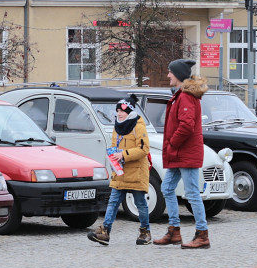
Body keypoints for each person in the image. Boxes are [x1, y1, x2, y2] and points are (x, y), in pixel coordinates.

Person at [153, 58, 211, 249]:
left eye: (170, 72)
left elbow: (186, 126)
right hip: (179, 154)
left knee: (192, 193)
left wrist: (172, 144)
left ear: (178, 75)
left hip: (184, 153)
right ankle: (174, 231)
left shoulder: (185, 96)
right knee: (167, 189)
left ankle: (202, 235)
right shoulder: (181, 95)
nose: (168, 75)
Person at [87, 96, 152, 246]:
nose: (119, 113)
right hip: (120, 171)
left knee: (140, 203)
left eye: (122, 110)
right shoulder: (117, 125)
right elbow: (115, 145)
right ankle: (105, 232)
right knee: (113, 202)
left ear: (129, 111)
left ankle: (145, 232)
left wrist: (123, 154)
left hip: (136, 171)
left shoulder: (138, 126)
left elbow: (144, 149)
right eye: (117, 110)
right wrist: (113, 158)